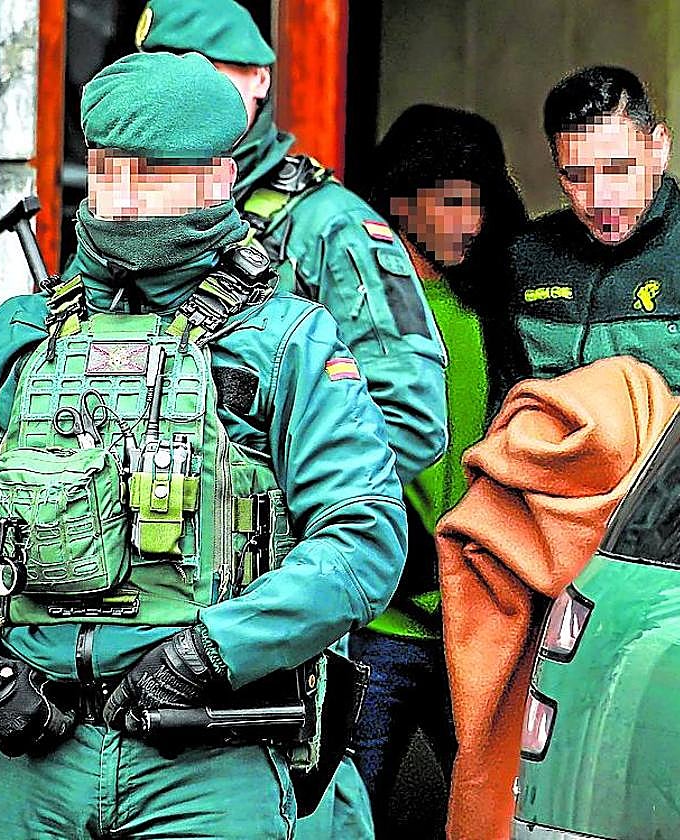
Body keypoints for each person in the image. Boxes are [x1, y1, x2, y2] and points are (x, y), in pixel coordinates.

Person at [0, 51, 405, 840]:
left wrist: (212, 651)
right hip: (36, 761)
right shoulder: (17, 338)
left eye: (152, 174)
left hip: (211, 766)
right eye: (106, 172)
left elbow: (363, 538)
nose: (124, 200)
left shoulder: (284, 341)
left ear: (216, 177)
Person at [133, 6, 448, 836]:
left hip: (266, 618)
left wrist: (257, 495)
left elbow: (413, 419)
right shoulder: (134, 219)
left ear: (258, 81)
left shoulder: (328, 228)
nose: (178, 94)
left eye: (202, 72)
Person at [351, 103, 527, 831]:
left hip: (472, 619)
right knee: (344, 812)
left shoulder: (484, 305)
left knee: (491, 813)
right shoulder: (357, 309)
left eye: (476, 201)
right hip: (377, 626)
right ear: (399, 201)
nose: (468, 220)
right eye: (448, 200)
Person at [503, 65, 680, 398]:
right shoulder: (526, 258)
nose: (600, 198)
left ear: (659, 148)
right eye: (577, 176)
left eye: (617, 168)